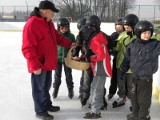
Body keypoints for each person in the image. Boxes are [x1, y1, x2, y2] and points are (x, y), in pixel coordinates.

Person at [21, 0, 76, 120]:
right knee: (39, 88)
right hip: (39, 64)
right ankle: (40, 111)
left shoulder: (49, 23)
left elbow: (57, 38)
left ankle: (46, 105)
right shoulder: (32, 24)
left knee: (46, 87)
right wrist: (34, 66)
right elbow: (27, 48)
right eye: (52, 12)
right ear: (44, 11)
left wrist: (70, 43)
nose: (54, 15)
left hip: (48, 63)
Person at [120, 20, 160, 120]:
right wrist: (123, 70)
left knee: (144, 101)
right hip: (134, 77)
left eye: (149, 33)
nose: (147, 35)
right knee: (134, 99)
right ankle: (135, 114)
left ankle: (143, 117)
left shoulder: (154, 45)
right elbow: (127, 59)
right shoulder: (132, 45)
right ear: (138, 33)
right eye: (144, 33)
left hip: (145, 79)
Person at [79, 15, 112, 119]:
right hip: (99, 67)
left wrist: (90, 58)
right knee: (96, 87)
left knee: (96, 89)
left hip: (101, 68)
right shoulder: (95, 37)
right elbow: (93, 52)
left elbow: (100, 55)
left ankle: (95, 112)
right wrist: (85, 56)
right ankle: (100, 104)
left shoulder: (95, 39)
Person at [112, 14, 139, 108]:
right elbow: (117, 48)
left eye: (128, 27)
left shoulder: (139, 36)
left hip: (133, 67)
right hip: (121, 65)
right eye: (125, 27)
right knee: (121, 84)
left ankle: (133, 100)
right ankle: (121, 96)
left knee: (132, 85)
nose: (126, 29)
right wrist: (114, 46)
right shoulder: (122, 35)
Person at [52, 17, 75, 99]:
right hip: (57, 59)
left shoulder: (71, 36)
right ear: (58, 28)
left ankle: (70, 90)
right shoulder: (56, 36)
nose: (64, 30)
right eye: (62, 28)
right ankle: (55, 90)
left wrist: (73, 54)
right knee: (57, 76)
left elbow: (73, 48)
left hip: (67, 59)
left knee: (68, 75)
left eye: (66, 28)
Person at [108, 17, 124, 100]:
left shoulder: (126, 35)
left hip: (125, 60)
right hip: (116, 59)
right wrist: (111, 50)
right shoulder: (114, 35)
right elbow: (110, 45)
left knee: (123, 78)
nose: (119, 29)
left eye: (120, 27)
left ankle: (124, 94)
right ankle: (111, 92)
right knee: (114, 77)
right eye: (117, 27)